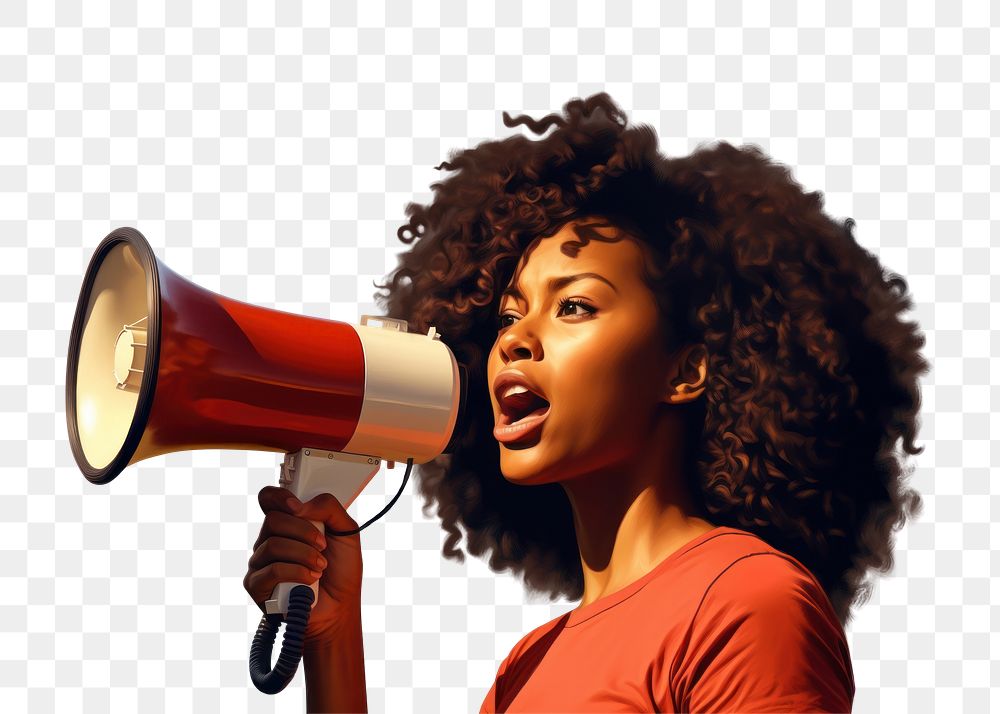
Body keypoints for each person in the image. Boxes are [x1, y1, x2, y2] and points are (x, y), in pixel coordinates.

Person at [243, 93, 929, 712]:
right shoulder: (525, 667)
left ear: (686, 369)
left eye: (574, 305)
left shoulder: (748, 603)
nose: (514, 341)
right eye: (508, 316)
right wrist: (333, 633)